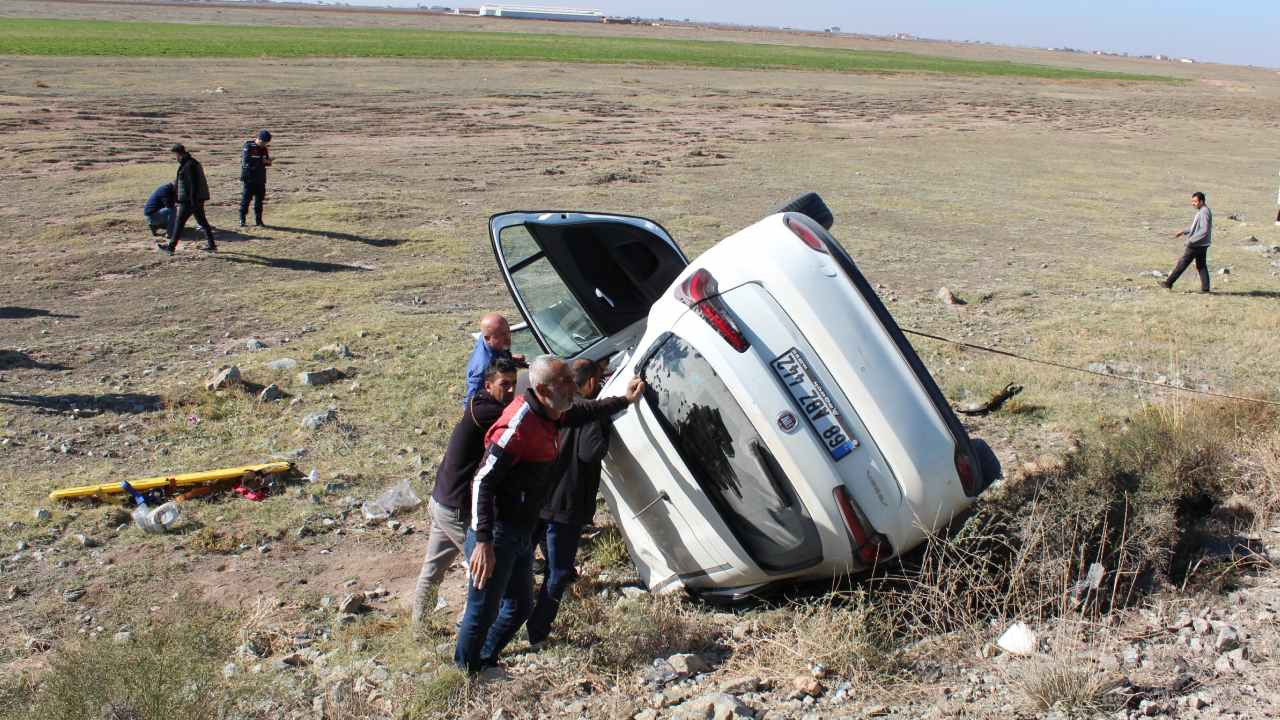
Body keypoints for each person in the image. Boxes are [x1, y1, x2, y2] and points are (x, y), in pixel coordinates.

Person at [454, 355, 644, 674]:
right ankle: (465, 674)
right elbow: (483, 481)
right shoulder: (518, 424)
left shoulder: (552, 411)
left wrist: (623, 399)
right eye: (565, 383)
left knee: (520, 606)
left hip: (521, 531)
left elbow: (584, 410)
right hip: (497, 534)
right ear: (542, 388)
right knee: (483, 609)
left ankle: (484, 659)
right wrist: (483, 541)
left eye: (571, 380)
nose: (572, 388)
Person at [410, 358, 519, 628]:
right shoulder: (490, 414)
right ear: (488, 385)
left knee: (433, 569)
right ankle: (469, 627)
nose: (510, 391)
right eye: (504, 384)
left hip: (442, 499)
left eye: (513, 385)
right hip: (457, 506)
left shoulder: (478, 402)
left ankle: (419, 627)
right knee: (484, 566)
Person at [526, 358, 613, 648]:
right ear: (588, 384)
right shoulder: (588, 414)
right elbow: (591, 453)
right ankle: (538, 629)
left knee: (526, 559)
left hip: (541, 496)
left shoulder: (554, 408)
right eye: (598, 380)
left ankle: (516, 616)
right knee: (559, 570)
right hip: (568, 502)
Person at [162, 144, 215, 254]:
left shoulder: (188, 165)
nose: (175, 158)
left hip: (189, 201)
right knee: (202, 222)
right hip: (194, 200)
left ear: (178, 154)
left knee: (180, 223)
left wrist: (192, 201)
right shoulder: (191, 163)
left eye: (175, 155)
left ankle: (171, 247)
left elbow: (193, 185)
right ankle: (212, 245)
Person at [463, 313, 526, 404]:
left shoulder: (490, 339)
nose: (508, 338)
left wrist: (509, 359)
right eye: (502, 335)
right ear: (487, 338)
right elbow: (471, 399)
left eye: (508, 332)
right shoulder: (483, 365)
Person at [1162, 191, 1212, 293]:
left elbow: (1204, 230)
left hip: (1196, 244)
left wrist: (1191, 240)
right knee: (1201, 266)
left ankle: (1168, 283)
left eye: (1195, 201)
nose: (1193, 204)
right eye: (1192, 201)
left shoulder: (1204, 212)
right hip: (1202, 244)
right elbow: (1197, 228)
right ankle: (1206, 289)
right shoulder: (1203, 210)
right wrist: (1184, 231)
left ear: (1201, 201)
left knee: (1182, 263)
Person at [239, 129, 272, 227]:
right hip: (249, 178)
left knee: (259, 201)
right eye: (263, 142)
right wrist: (260, 162)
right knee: (246, 200)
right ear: (258, 139)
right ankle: (242, 219)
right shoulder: (248, 146)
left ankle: (259, 221)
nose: (264, 144)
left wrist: (268, 162)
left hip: (260, 178)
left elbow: (266, 162)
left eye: (266, 143)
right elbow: (246, 163)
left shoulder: (264, 149)